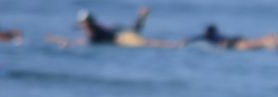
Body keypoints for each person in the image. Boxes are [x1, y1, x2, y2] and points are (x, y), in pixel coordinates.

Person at [46, 7, 179, 49]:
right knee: (151, 42)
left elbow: (83, 42)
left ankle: (175, 44)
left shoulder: (94, 32)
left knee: (151, 43)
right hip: (122, 37)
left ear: (87, 23)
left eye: (84, 23)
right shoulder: (95, 28)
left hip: (123, 39)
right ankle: (174, 44)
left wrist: (62, 42)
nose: (82, 25)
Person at [185, 23, 278, 51]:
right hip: (233, 39)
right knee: (254, 42)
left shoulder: (207, 36)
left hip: (230, 43)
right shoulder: (215, 35)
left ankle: (271, 42)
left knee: (252, 45)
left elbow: (190, 40)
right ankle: (271, 39)